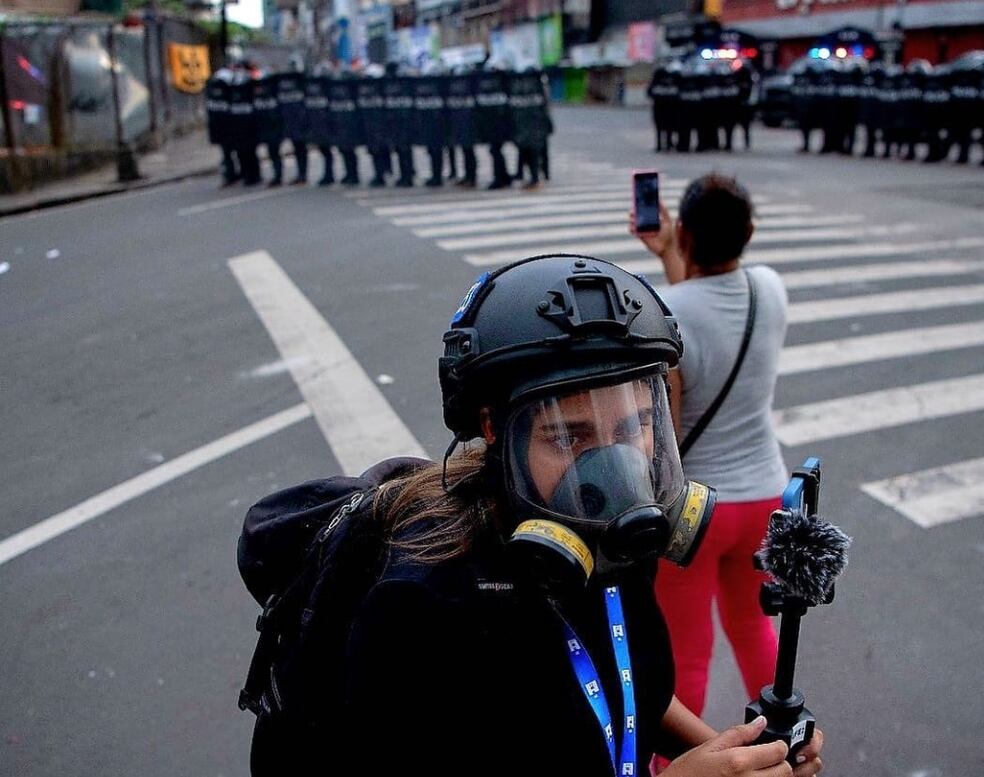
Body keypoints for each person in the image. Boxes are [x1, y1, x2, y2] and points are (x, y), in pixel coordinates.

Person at [239, 254, 826, 777]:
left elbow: (627, 687)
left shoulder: (617, 545)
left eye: (631, 429)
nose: (612, 473)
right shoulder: (421, 608)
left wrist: (742, 755)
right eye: (569, 438)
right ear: (496, 428)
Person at [629, 175, 791, 742]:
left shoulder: (665, 310)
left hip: (698, 513)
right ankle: (783, 740)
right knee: (754, 627)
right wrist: (677, 252)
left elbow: (667, 436)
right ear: (748, 234)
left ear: (688, 231)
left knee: (686, 655)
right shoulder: (770, 288)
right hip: (765, 499)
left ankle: (676, 763)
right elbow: (710, 320)